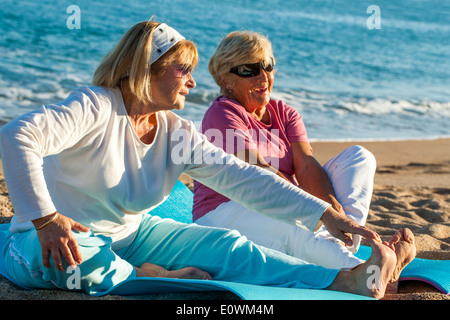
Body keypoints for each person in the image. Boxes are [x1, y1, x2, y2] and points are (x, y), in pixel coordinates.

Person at [0, 20, 412, 299]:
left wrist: (326, 215)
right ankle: (148, 276)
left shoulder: (175, 132)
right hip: (59, 237)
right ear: (147, 68)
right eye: (183, 69)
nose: (193, 81)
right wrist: (45, 220)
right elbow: (17, 135)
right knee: (68, 257)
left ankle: (343, 281)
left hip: (135, 235)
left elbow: (244, 178)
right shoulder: (93, 108)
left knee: (228, 245)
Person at [193, 31, 416, 272]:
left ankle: (342, 242)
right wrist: (316, 212)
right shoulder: (222, 113)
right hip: (227, 210)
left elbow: (306, 165)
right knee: (296, 231)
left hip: (283, 203)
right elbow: (258, 172)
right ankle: (373, 273)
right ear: (226, 79)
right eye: (250, 69)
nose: (263, 76)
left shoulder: (284, 113)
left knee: (359, 157)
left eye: (267, 66)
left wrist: (335, 212)